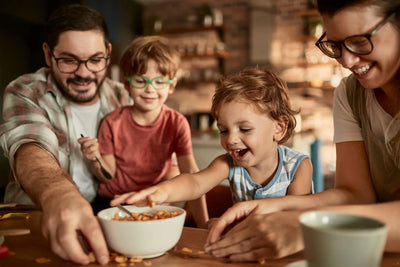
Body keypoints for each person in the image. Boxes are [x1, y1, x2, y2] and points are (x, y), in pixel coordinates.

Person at [204, 0, 400, 262]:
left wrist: (307, 224)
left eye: (360, 41)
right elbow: (356, 195)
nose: (347, 60)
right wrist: (276, 206)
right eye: (336, 46)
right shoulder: (350, 93)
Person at [0, 4, 131, 265]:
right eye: (69, 60)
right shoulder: (25, 90)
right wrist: (58, 194)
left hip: (108, 219)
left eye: (95, 60)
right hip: (35, 215)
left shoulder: (122, 97)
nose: (83, 73)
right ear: (48, 55)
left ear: (108, 53)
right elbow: (30, 146)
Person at [110, 68, 313, 218]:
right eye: (223, 130)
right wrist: (160, 192)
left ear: (279, 128)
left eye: (244, 129)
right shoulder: (228, 164)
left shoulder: (298, 167)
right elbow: (195, 183)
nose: (231, 139)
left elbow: (293, 218)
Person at [79, 35, 209, 228]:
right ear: (127, 84)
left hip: (153, 203)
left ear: (171, 86)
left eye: (159, 82)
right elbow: (109, 175)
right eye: (141, 81)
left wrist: (204, 226)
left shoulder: (176, 123)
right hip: (113, 202)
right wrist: (95, 158)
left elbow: (192, 175)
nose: (150, 89)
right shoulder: (112, 122)